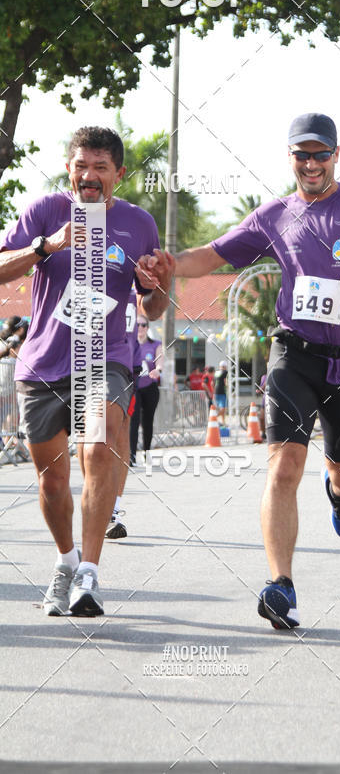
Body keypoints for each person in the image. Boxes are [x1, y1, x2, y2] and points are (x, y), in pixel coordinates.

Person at [137, 111, 340, 630]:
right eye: (302, 154)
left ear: (338, 155)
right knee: (283, 465)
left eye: (321, 154)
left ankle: (339, 493)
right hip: (292, 353)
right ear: (290, 157)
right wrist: (168, 263)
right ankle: (281, 586)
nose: (312, 163)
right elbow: (213, 255)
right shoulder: (275, 214)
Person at [0, 126, 172, 616]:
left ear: (118, 173)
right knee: (52, 481)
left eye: (100, 167)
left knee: (97, 447)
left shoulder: (139, 224)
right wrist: (45, 247)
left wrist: (158, 283)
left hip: (105, 357)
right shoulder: (44, 212)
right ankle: (66, 562)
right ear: (69, 167)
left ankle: (90, 576)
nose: (89, 176)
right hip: (42, 361)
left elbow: (153, 307)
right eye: (81, 166)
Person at [105, 286, 139, 540]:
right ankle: (96, 502)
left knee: (120, 437)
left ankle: (112, 511)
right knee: (93, 439)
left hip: (125, 366)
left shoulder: (136, 286)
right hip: (84, 361)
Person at [129, 314, 162, 467]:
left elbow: (160, 360)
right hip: (134, 388)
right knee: (133, 421)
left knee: (147, 421)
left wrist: (158, 370)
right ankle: (131, 455)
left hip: (150, 388)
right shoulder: (128, 344)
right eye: (138, 325)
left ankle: (147, 452)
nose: (140, 328)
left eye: (143, 325)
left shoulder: (155, 344)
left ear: (147, 328)